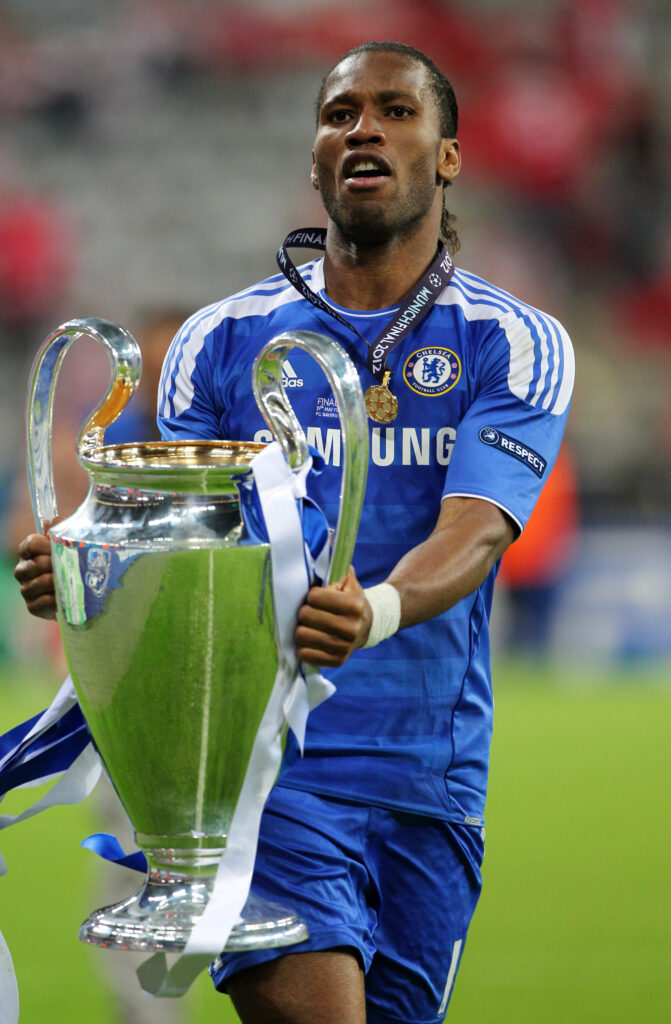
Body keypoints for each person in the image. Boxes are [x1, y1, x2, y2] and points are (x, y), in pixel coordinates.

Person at [14, 41, 574, 1024]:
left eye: (395, 112)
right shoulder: (217, 343)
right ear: (315, 158)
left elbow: (477, 530)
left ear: (446, 155)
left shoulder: (509, 341)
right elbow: (182, 547)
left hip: (428, 778)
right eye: (338, 113)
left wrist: (377, 609)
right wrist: (93, 566)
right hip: (258, 769)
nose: (362, 128)